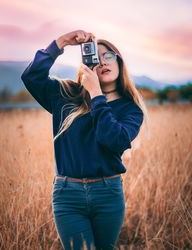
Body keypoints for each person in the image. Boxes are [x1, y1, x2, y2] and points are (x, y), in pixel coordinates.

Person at [21, 30, 149, 250]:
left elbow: (114, 140)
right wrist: (60, 42)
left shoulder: (131, 109)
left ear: (119, 61)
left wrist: (97, 95)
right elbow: (31, 77)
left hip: (108, 194)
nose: (103, 62)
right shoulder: (66, 95)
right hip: (67, 195)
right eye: (95, 58)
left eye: (108, 56)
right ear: (87, 65)